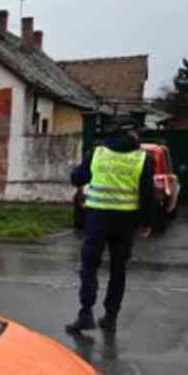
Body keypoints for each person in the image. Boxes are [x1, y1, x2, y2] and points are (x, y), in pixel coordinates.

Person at [65, 117, 156, 335]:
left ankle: (85, 313)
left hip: (97, 219)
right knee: (118, 270)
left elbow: (77, 178)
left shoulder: (97, 153)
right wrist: (147, 222)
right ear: (130, 134)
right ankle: (110, 317)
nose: (139, 136)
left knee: (89, 266)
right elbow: (147, 194)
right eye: (137, 132)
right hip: (125, 222)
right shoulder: (142, 158)